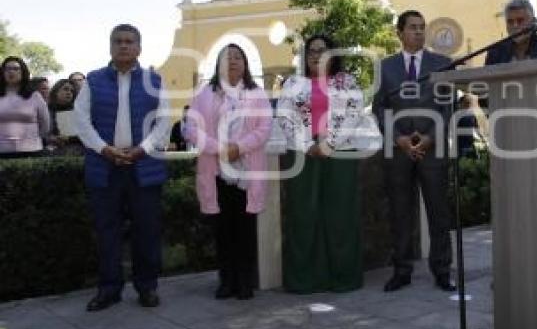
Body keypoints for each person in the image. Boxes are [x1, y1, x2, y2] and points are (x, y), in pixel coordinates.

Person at [74, 24, 171, 312]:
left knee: (147, 231)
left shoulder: (154, 80)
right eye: (118, 41)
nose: (124, 46)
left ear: (139, 47)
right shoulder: (93, 80)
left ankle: (147, 287)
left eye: (130, 41)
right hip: (105, 167)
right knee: (107, 232)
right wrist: (105, 149)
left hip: (144, 167)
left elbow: (164, 121)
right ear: (110, 46)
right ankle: (109, 289)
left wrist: (142, 150)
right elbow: (81, 121)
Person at [277, 34, 376, 293]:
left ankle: (344, 278)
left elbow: (353, 114)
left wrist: (329, 143)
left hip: (340, 154)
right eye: (311, 51)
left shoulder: (348, 82)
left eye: (322, 50)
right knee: (303, 215)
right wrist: (307, 144)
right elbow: (285, 117)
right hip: (302, 155)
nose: (316, 55)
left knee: (340, 215)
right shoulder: (293, 84)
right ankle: (304, 280)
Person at [372, 10, 456, 293]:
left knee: (439, 212)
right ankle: (402, 270)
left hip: (433, 150)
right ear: (400, 33)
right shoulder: (385, 68)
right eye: (413, 28)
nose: (419, 32)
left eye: (422, 27)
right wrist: (399, 139)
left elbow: (448, 107)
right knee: (400, 212)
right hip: (399, 151)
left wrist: (431, 138)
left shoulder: (442, 64)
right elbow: (379, 107)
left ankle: (443, 270)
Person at [185, 43, 272, 300]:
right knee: (222, 229)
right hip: (216, 171)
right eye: (227, 57)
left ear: (245, 64)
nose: (232, 61)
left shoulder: (257, 95)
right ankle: (226, 280)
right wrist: (219, 148)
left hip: (246, 172)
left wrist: (239, 147)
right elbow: (191, 128)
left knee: (245, 229)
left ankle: (245, 281)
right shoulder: (204, 94)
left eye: (237, 57)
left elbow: (264, 128)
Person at [0, 56, 50, 158]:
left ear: (23, 72)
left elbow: (45, 125)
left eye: (16, 68)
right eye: (7, 69)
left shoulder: (34, 95)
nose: (11, 72)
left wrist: (31, 140)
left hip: (32, 150)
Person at [484, 0, 537, 65]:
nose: (515, 26)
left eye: (520, 21)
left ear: (533, 22)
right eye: (510, 22)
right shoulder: (495, 52)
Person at [47, 78, 83, 155]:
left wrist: (69, 138)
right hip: (48, 151)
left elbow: (85, 135)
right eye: (65, 89)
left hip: (74, 152)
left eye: (72, 91)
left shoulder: (78, 112)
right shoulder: (45, 110)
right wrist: (50, 138)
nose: (69, 93)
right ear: (56, 91)